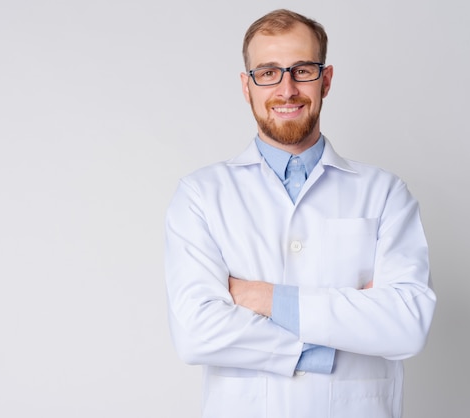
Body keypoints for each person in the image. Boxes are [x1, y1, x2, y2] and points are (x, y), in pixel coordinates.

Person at [164, 8, 436, 418]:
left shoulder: (384, 193)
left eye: (302, 70)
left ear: (325, 80)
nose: (287, 89)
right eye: (268, 72)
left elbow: (406, 325)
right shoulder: (201, 195)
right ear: (247, 86)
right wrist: (342, 329)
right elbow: (196, 334)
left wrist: (263, 298)